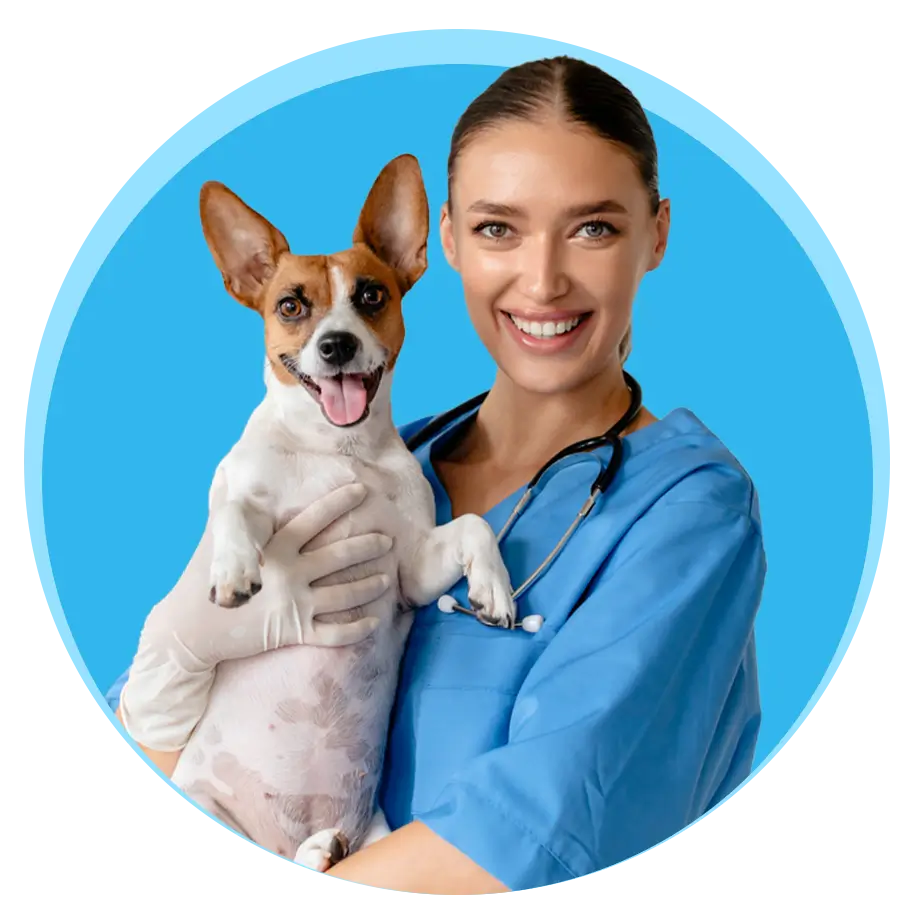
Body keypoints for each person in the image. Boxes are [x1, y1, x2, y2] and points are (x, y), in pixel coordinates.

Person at [107, 55, 765, 895]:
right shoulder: (380, 464)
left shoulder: (688, 513)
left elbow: (537, 827)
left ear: (657, 235)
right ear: (446, 239)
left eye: (593, 227)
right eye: (499, 229)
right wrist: (180, 644)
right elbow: (143, 752)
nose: (543, 280)